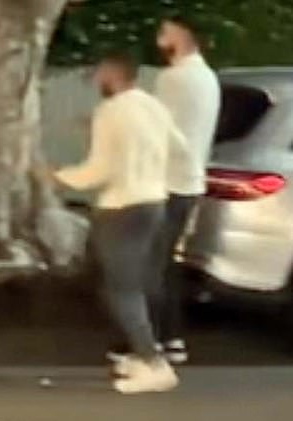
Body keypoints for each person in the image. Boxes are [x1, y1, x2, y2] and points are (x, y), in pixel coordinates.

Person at [54, 53, 191, 394]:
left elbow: (98, 170)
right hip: (153, 202)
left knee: (122, 289)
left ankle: (154, 363)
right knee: (125, 283)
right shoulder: (153, 107)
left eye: (98, 74)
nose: (96, 82)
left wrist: (57, 177)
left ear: (113, 75)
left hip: (120, 207)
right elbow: (182, 148)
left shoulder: (110, 111)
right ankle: (142, 355)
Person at [150, 14, 221, 364]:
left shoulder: (173, 78)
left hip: (166, 181)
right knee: (165, 261)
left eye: (166, 30)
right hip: (190, 181)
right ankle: (169, 337)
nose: (159, 36)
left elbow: (158, 130)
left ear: (183, 36)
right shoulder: (208, 78)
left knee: (153, 263)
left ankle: (157, 340)